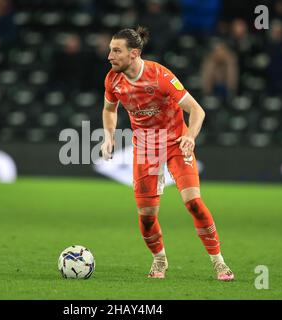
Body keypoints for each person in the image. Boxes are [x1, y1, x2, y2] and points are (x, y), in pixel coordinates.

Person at [100, 26, 234, 281]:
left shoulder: (160, 76)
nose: (110, 56)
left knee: (193, 202)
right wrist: (109, 137)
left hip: (175, 143)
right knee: (147, 217)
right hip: (146, 148)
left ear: (134, 53)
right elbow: (109, 110)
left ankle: (219, 263)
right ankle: (159, 260)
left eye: (116, 50)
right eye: (110, 50)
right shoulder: (112, 80)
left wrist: (189, 136)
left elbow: (197, 110)